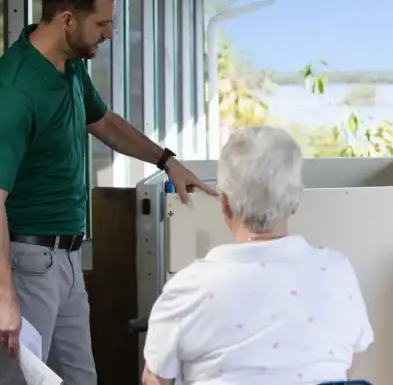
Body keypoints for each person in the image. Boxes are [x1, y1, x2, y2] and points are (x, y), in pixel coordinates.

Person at [0, 0, 216, 385]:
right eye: (102, 23)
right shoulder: (14, 92)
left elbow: (104, 122)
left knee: (82, 379)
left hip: (65, 258)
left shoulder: (71, 64)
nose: (109, 34)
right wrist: (5, 296)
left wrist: (166, 159)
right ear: (67, 20)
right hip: (26, 265)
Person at [141, 125, 374, 385]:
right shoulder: (337, 272)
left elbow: (156, 380)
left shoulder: (187, 288)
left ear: (225, 205)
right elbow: (348, 366)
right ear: (295, 201)